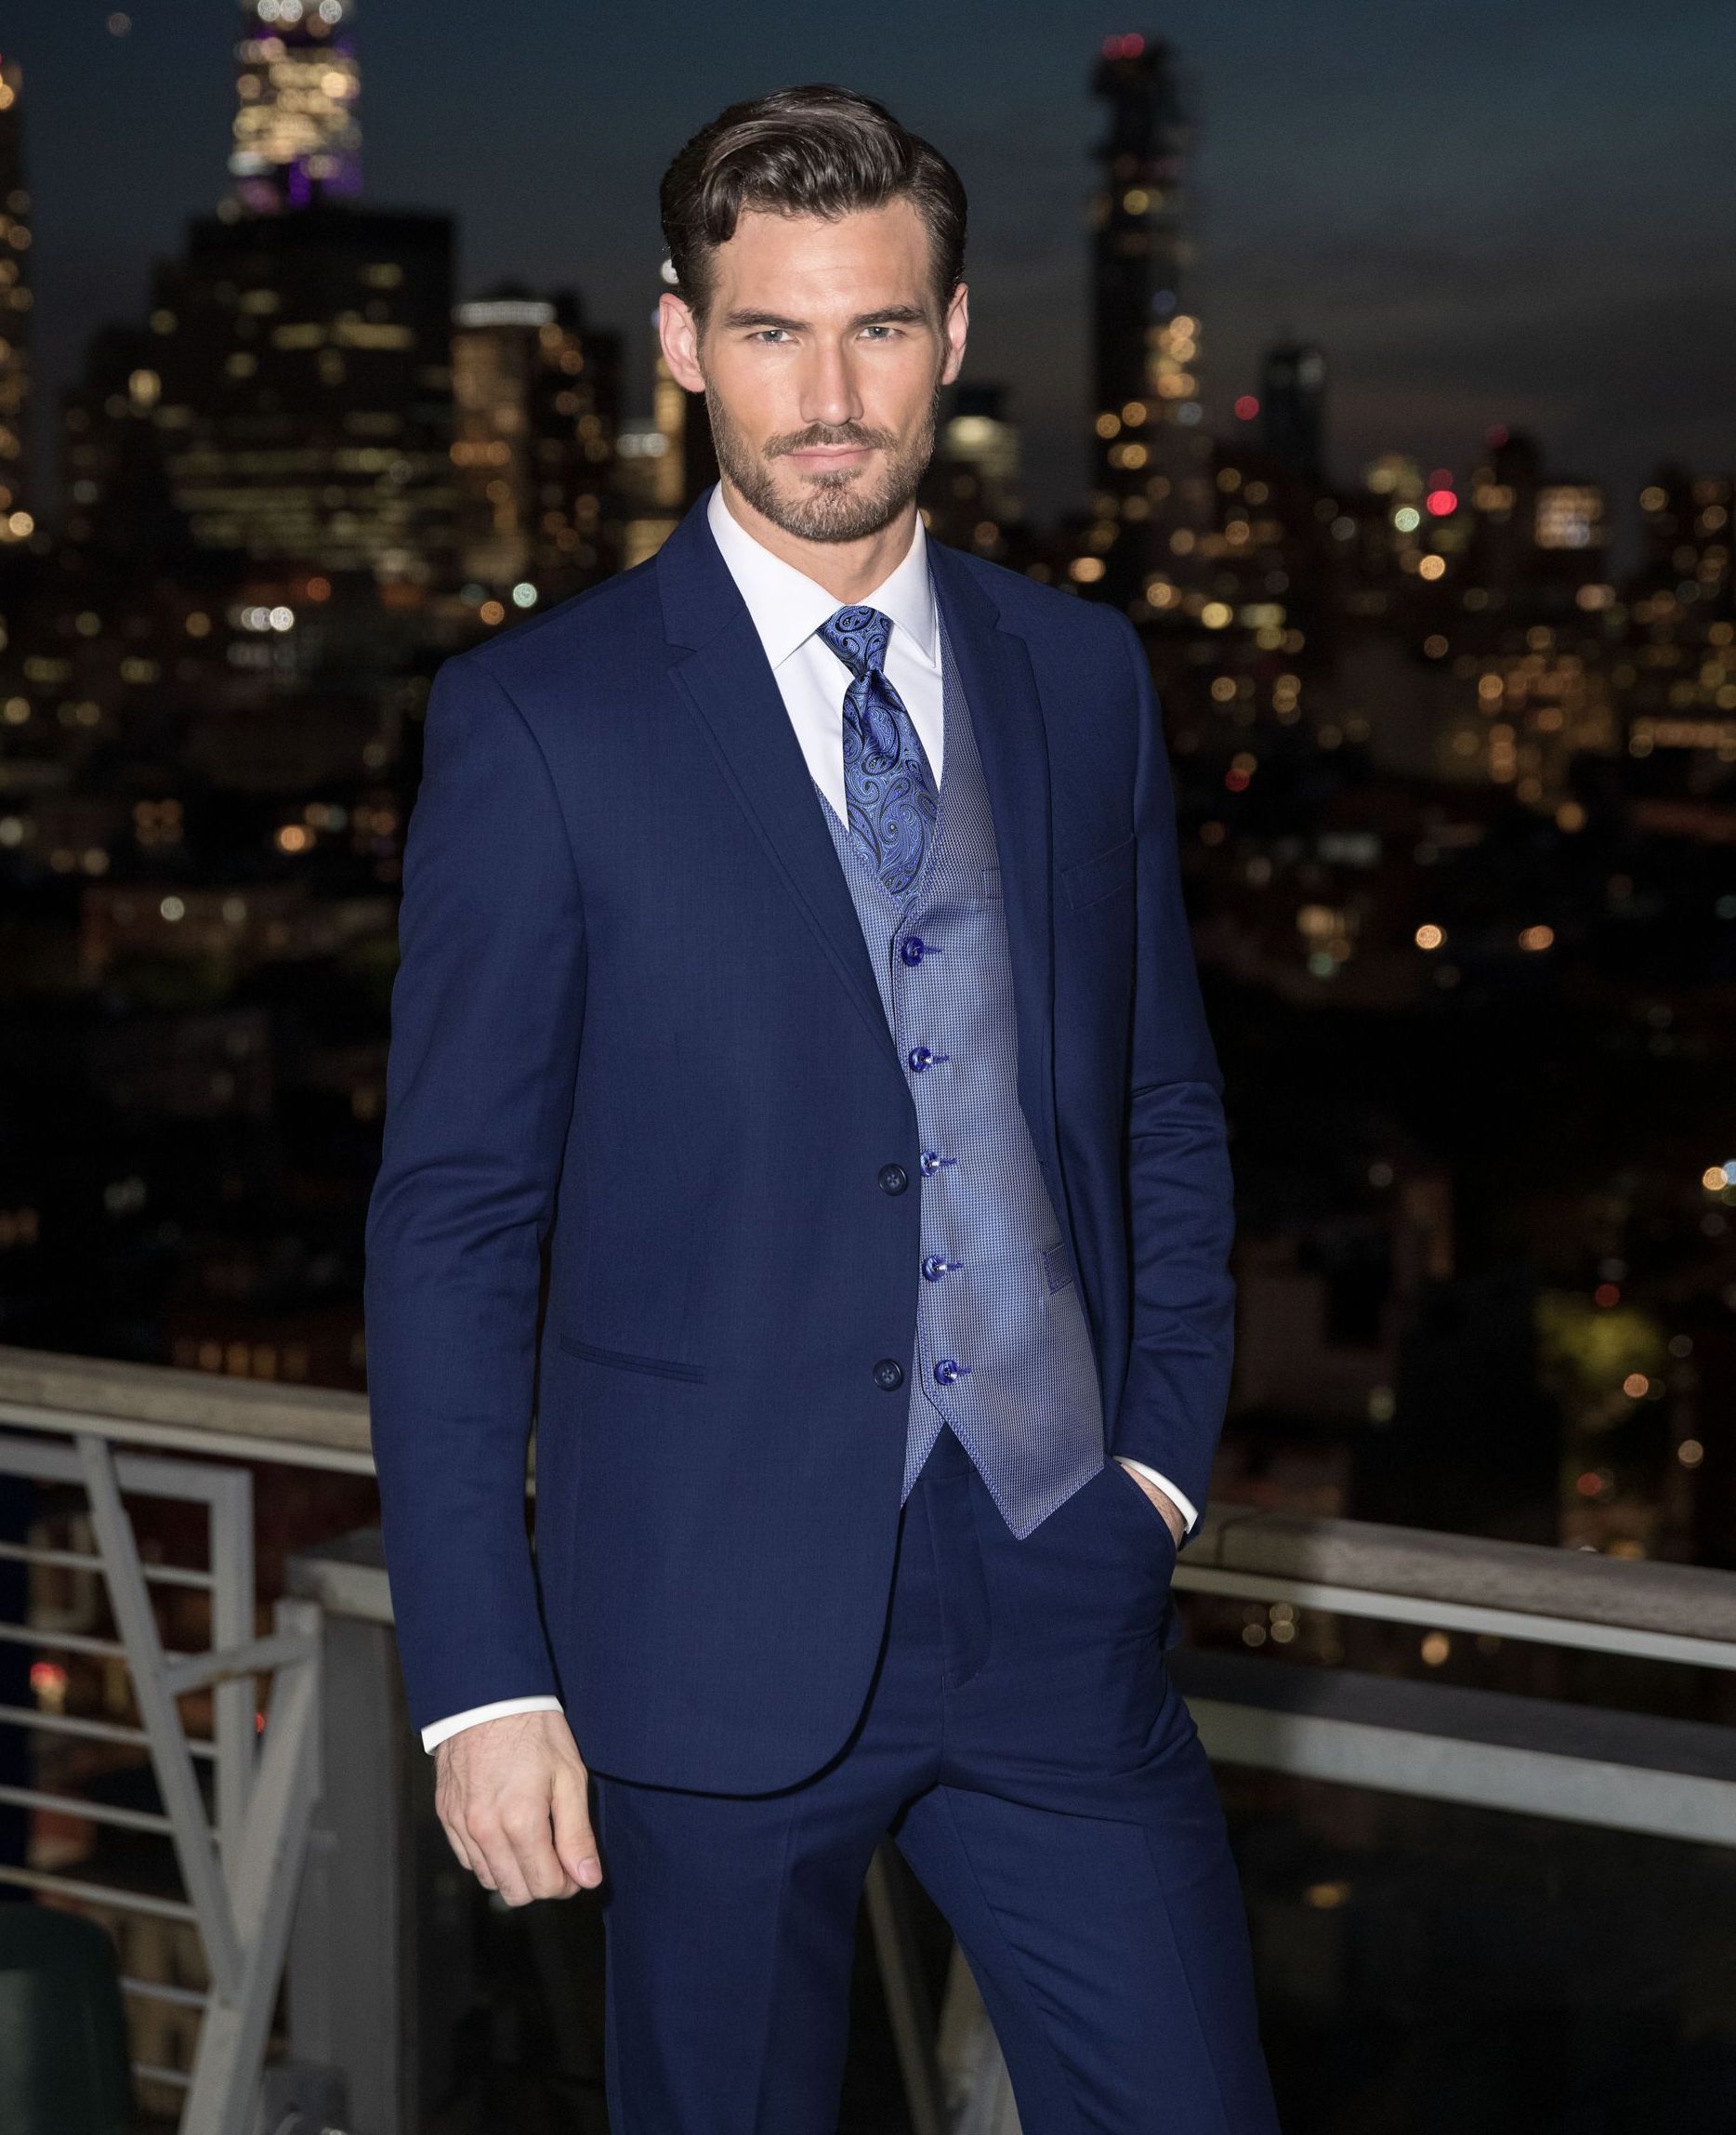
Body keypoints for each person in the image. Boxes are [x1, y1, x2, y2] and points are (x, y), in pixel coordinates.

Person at [364, 81, 1283, 2134]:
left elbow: (1158, 1105)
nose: (831, 395)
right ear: (684, 342)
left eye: (876, 327)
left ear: (950, 334)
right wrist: (483, 1677)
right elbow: (453, 1223)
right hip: (702, 1618)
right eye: (770, 331)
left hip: (1059, 1592)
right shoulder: (540, 718)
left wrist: (1154, 1469)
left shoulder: (1079, 675)